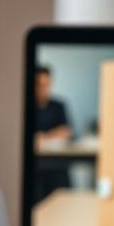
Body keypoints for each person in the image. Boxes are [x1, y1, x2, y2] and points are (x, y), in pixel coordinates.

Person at [33, 65, 73, 202]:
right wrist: (53, 134)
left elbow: (66, 132)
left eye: (46, 85)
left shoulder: (58, 105)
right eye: (39, 85)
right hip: (37, 166)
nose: (43, 89)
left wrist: (44, 137)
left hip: (57, 164)